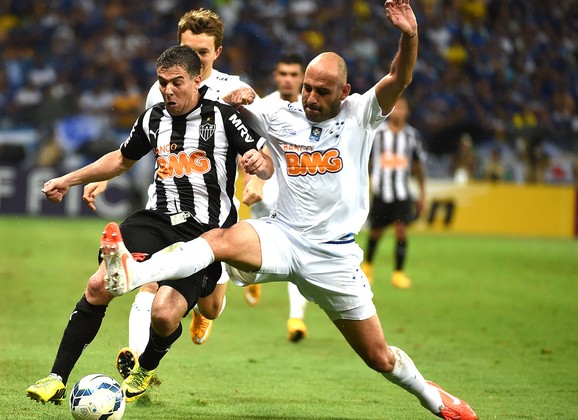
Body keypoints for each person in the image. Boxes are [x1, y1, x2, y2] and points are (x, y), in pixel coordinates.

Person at [99, 2, 478, 419]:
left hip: (333, 255)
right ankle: (134, 274)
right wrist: (243, 99)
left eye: (322, 91)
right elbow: (238, 120)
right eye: (307, 89)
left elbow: (399, 78)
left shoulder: (361, 115)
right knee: (218, 239)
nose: (311, 98)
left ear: (344, 93)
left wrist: (409, 37)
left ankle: (435, 399)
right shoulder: (280, 114)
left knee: (379, 357)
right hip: (281, 235)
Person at [26, 45, 273, 405]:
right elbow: (120, 159)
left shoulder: (221, 117)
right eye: (162, 83)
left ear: (197, 79)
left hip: (204, 235)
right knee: (98, 286)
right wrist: (69, 179)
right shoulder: (152, 118)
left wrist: (257, 164)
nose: (168, 90)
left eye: (177, 83)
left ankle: (147, 365)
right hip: (157, 219)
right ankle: (56, 377)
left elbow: (264, 161)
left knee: (164, 313)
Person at [82, 8, 261, 380]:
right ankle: (135, 360)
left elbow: (259, 145)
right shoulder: (161, 86)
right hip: (163, 203)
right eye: (186, 49)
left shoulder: (235, 92)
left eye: (202, 53)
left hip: (212, 214)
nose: (193, 58)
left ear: (218, 53)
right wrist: (107, 178)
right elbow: (145, 139)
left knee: (210, 307)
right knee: (150, 278)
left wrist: (256, 180)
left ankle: (200, 308)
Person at [241, 52, 312, 342]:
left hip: (299, 190)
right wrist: (250, 179)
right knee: (259, 245)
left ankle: (296, 318)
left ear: (302, 78)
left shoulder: (314, 109)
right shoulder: (263, 107)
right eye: (283, 74)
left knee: (299, 256)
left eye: (294, 75)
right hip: (266, 186)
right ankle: (250, 274)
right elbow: (245, 147)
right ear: (276, 76)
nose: (288, 79)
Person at [360, 97, 426, 289]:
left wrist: (422, 193)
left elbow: (418, 166)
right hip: (382, 191)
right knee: (376, 231)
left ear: (407, 112)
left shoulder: (412, 136)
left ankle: (398, 272)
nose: (397, 111)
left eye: (402, 108)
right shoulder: (377, 133)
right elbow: (367, 161)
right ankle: (368, 266)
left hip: (402, 192)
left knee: (401, 230)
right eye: (395, 107)